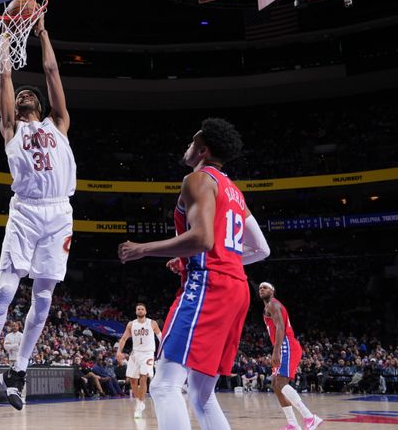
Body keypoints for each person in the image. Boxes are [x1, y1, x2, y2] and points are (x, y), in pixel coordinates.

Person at [118, 118, 270, 430]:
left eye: (191, 142)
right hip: (236, 289)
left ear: (202, 149)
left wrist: (143, 249)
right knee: (201, 394)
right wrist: (189, 258)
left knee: (164, 385)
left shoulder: (197, 179)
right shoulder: (235, 191)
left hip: (208, 286)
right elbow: (261, 249)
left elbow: (202, 238)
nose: (187, 147)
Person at [0, 13, 76, 411]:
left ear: (40, 104)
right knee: (5, 290)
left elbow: (50, 69)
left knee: (45, 296)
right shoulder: (10, 130)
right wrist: (4, 38)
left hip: (60, 214)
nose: (23, 97)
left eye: (28, 95)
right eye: (19, 97)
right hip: (26, 211)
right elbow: (4, 78)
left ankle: (18, 371)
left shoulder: (59, 123)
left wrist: (43, 31)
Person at [259, 282, 323, 430]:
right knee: (276, 384)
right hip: (283, 345)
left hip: (286, 344)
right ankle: (293, 424)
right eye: (260, 288)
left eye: (265, 287)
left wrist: (276, 350)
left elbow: (281, 327)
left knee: (281, 382)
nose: (262, 289)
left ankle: (310, 417)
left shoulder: (273, 304)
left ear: (273, 291)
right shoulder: (268, 306)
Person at [116, 303, 161, 418]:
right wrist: (118, 351)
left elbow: (161, 337)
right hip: (135, 353)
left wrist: (164, 351)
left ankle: (141, 403)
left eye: (142, 309)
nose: (140, 310)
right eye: (138, 309)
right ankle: (138, 401)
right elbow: (124, 338)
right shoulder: (131, 324)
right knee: (132, 380)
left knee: (143, 377)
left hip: (148, 353)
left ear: (145, 311)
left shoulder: (152, 323)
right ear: (136, 312)